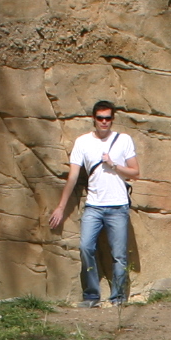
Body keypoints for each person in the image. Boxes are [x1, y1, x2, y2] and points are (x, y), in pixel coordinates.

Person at [48, 99, 139, 306]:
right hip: (94, 205)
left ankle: (118, 298)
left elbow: (135, 172)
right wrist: (61, 207)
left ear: (113, 119)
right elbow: (73, 177)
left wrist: (114, 165)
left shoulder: (123, 140)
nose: (104, 122)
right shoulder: (83, 142)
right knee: (85, 247)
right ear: (94, 119)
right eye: (100, 118)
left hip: (118, 206)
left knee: (119, 255)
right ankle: (91, 295)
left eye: (108, 118)